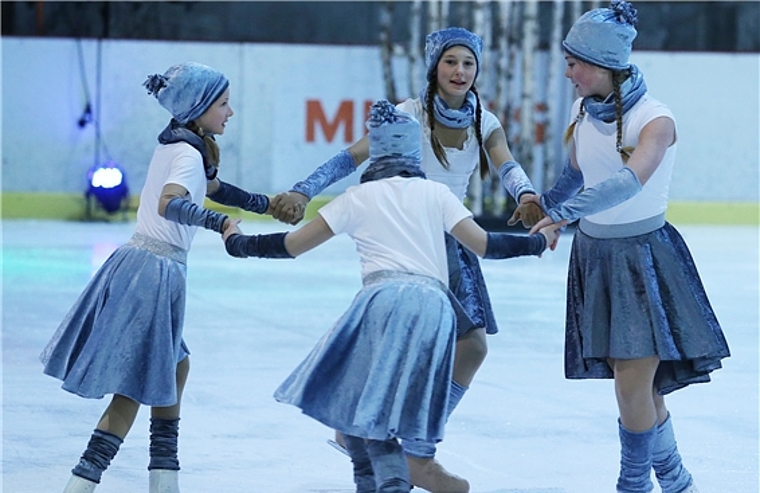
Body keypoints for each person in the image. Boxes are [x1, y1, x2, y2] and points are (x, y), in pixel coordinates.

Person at [222, 100, 561, 493]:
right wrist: (536, 244)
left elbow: (292, 245)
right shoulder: (436, 192)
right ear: (414, 152)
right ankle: (413, 452)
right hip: (436, 307)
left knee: (368, 416)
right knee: (387, 406)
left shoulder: (355, 198)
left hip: (382, 303)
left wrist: (238, 243)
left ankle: (396, 474)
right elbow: (485, 245)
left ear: (376, 152)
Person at [40, 62, 272, 493]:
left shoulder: (182, 144)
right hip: (153, 271)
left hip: (145, 265)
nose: (230, 112)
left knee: (176, 366)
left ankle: (164, 478)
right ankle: (82, 483)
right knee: (133, 386)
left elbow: (215, 188)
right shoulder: (187, 153)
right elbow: (172, 203)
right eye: (223, 104)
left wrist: (266, 204)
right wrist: (220, 224)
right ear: (199, 108)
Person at [526, 2, 730, 492]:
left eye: (575, 62)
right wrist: (547, 206)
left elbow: (628, 181)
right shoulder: (581, 111)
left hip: (645, 261)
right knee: (640, 385)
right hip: (595, 258)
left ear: (603, 65)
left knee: (633, 385)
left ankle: (633, 484)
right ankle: (677, 482)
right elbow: (578, 173)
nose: (568, 71)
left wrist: (564, 214)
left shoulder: (655, 118)